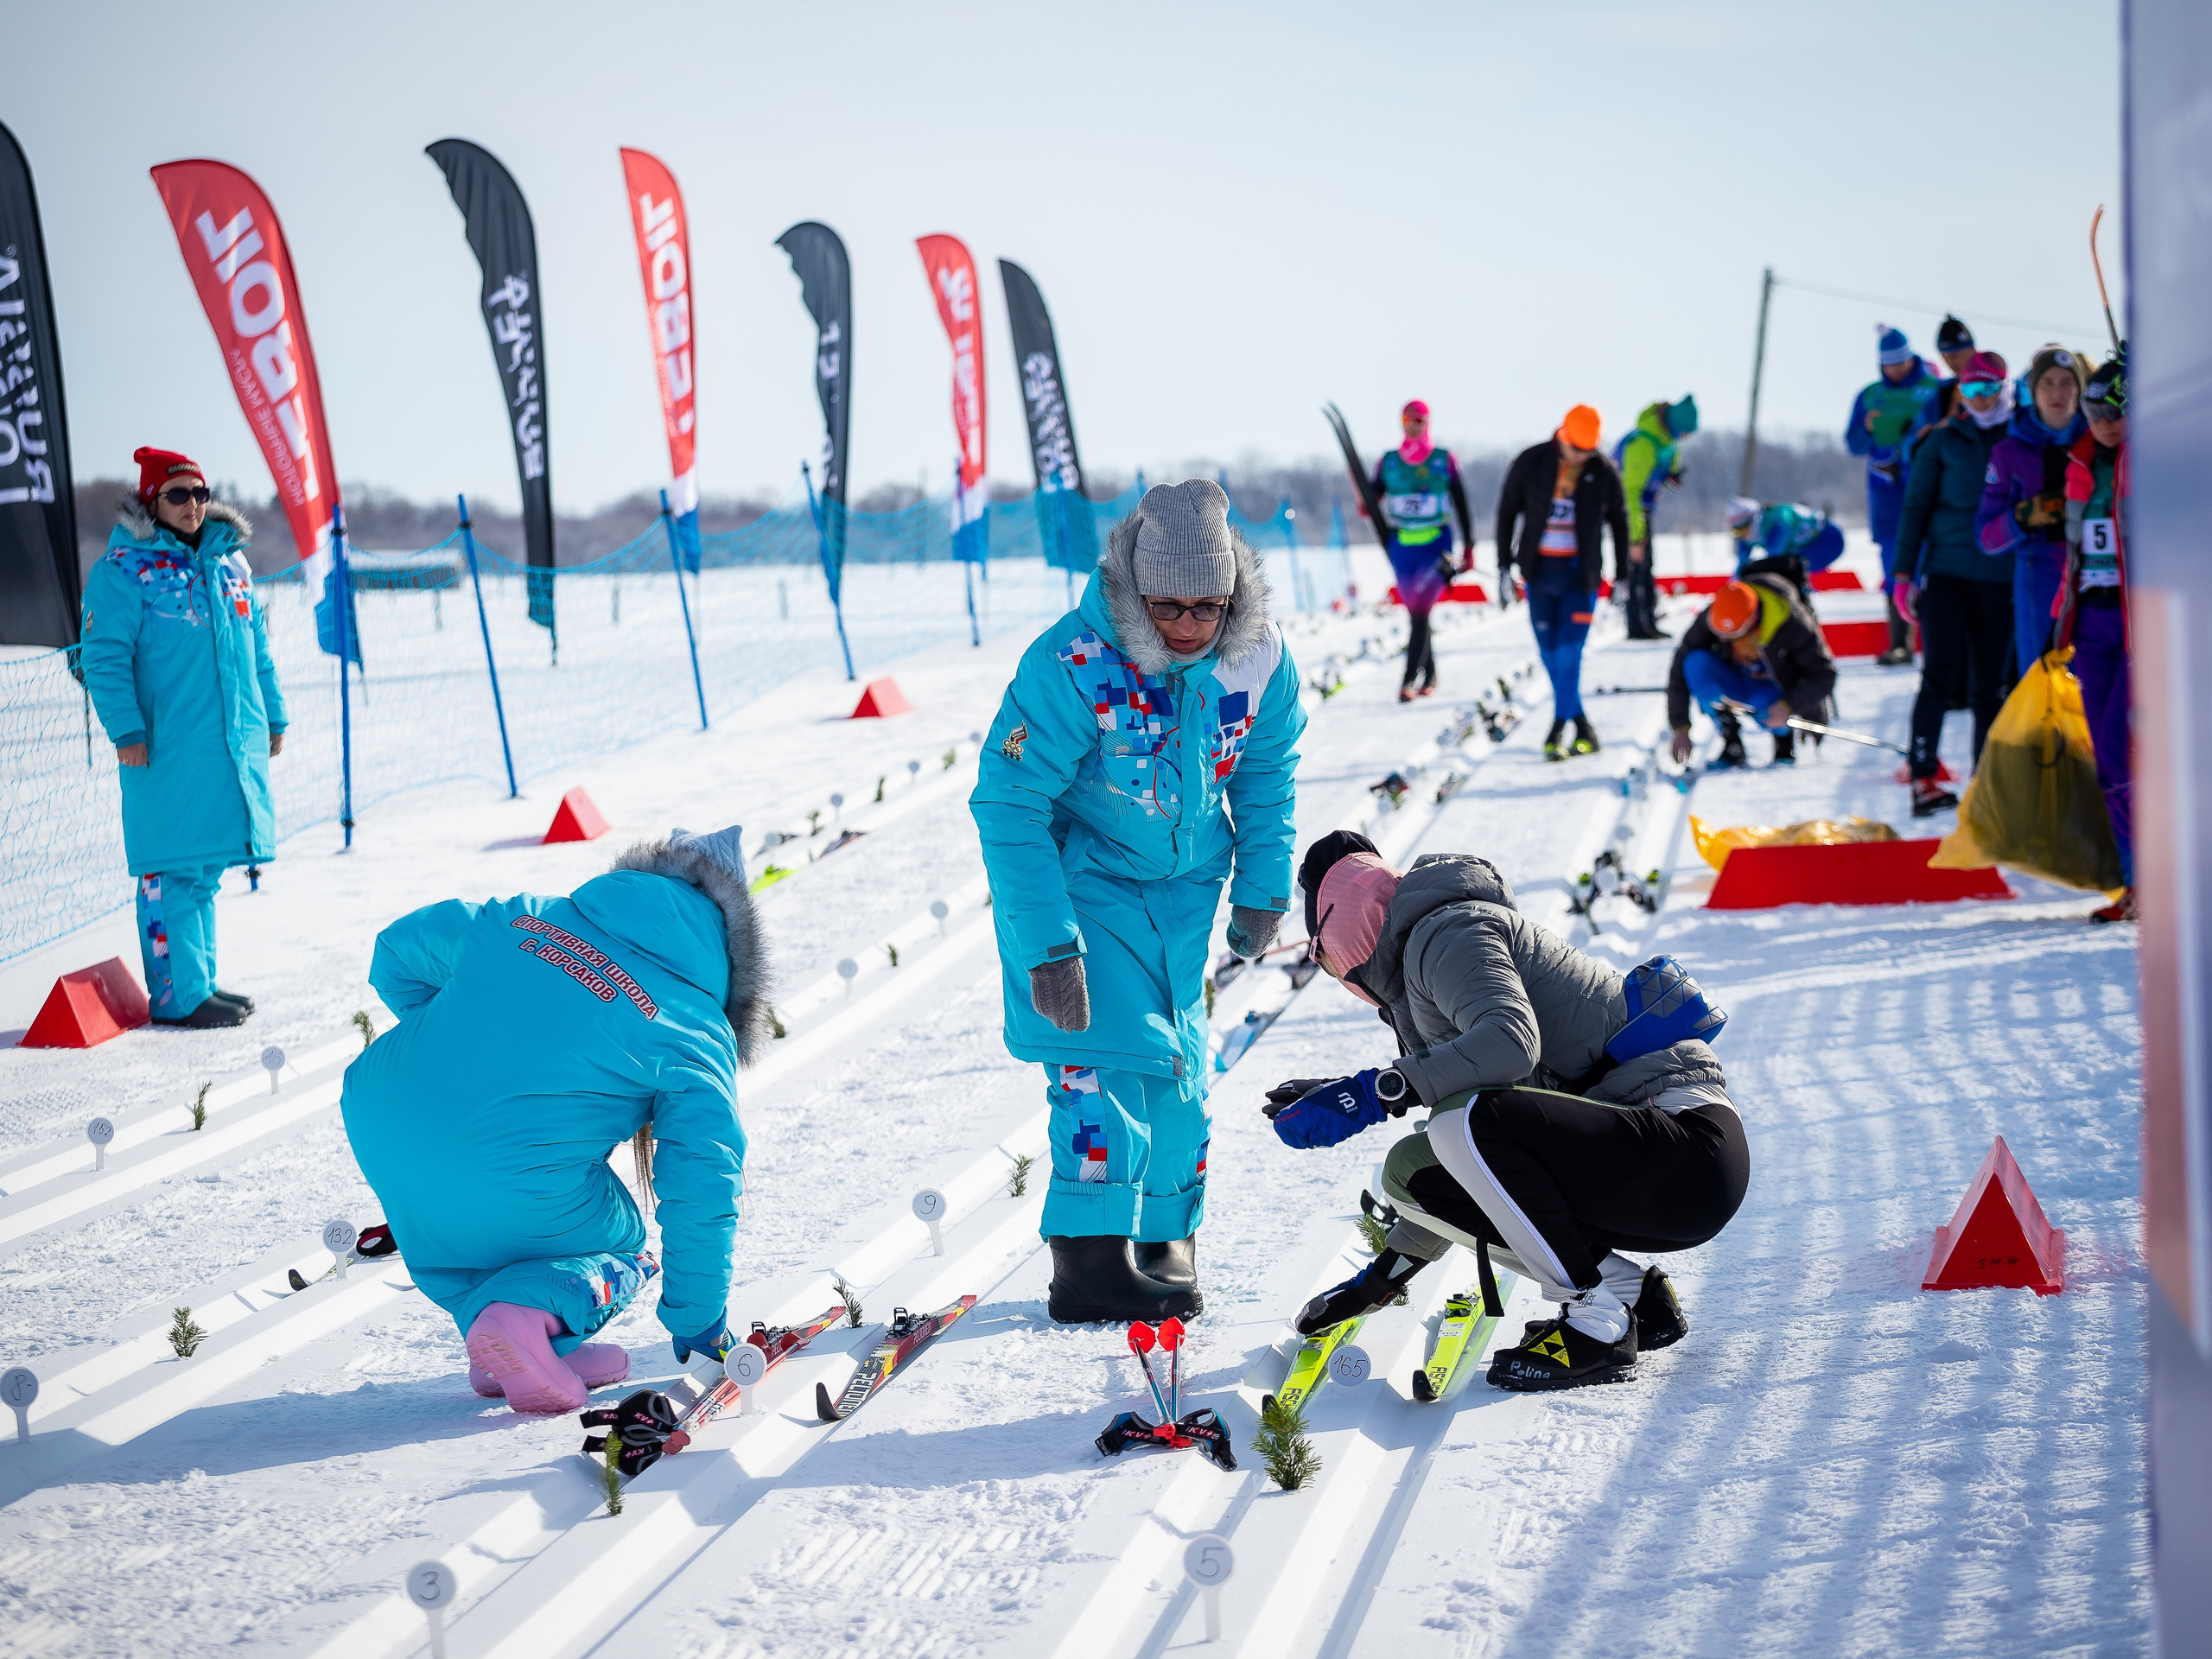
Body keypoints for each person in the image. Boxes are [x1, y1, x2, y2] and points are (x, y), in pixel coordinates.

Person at [971, 480, 1304, 1323]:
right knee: (1101, 1069)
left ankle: (1164, 1238)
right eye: (1167, 606)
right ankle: (1085, 1262)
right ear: (1136, 591)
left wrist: (1264, 886)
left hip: (1185, 897)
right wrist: (1048, 945)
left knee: (1180, 1077)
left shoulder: (1257, 657)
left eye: (1207, 605)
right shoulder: (1074, 663)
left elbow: (1265, 773)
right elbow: (1008, 802)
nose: (1188, 625)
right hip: (1083, 891)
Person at [1262, 836, 1745, 1389]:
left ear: (1345, 934)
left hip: (1684, 1148)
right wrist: (1382, 1278)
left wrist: (1378, 1091)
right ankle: (1632, 1297)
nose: (1336, 976)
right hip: (1648, 1161)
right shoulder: (1423, 971)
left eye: (1325, 958)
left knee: (1457, 1123)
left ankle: (1596, 1325)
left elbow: (1511, 1043)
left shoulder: (1446, 932)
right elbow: (1477, 1167)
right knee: (1412, 1169)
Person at [340, 826, 766, 1415]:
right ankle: (521, 1320)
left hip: (378, 1112)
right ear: (731, 948)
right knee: (622, 1248)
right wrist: (699, 1317)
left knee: (492, 1218)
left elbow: (398, 951)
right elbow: (702, 1179)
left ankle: (516, 1345)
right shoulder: (694, 1026)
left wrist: (459, 1050)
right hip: (505, 1167)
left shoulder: (523, 917)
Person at [79, 448, 287, 1029]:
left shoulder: (229, 567)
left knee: (202, 870)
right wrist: (126, 729)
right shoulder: (122, 573)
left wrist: (274, 716)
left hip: (224, 748)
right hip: (166, 749)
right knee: (169, 870)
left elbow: (258, 652)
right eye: (178, 495)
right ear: (152, 500)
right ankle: (177, 999)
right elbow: (104, 658)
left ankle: (200, 986)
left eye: (200, 493)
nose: (193, 505)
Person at [1891, 351, 2018, 817]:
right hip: (1946, 574)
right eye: (1971, 391)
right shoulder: (1943, 441)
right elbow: (1915, 509)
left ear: (2005, 389)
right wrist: (1903, 575)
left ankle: (1987, 781)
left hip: (2000, 577)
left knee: (1990, 686)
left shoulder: (2022, 437)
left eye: (1989, 390)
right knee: (1939, 677)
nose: (1980, 400)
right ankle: (1923, 776)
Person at [1496, 404, 1631, 760]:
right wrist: (1503, 568)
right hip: (1539, 576)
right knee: (1551, 657)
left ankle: (1557, 728)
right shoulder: (1532, 462)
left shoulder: (1602, 470)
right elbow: (1507, 511)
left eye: (1591, 450)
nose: (1585, 456)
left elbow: (1620, 520)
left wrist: (1623, 577)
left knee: (1570, 655)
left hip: (1581, 578)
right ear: (1563, 437)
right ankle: (1583, 726)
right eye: (1579, 449)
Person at [2056, 351, 2133, 923]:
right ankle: (2133, 882)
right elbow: (2074, 554)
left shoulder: (2150, 460)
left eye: (2114, 408)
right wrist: (2060, 622)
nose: (2102, 420)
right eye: (2091, 408)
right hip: (2093, 621)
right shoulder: (2080, 464)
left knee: (2127, 753)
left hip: (2143, 623)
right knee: (2106, 763)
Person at [1977, 345, 2089, 680]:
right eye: (2048, 383)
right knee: (2044, 684)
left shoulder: (2100, 439)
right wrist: (2024, 517)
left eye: (2067, 382)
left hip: (2095, 579)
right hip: (2038, 582)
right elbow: (1985, 537)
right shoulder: (2009, 452)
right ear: (2033, 390)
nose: (2057, 392)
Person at [1846, 326, 1946, 665]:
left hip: (1929, 492)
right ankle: (1899, 644)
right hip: (1887, 501)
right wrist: (1869, 429)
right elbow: (1854, 444)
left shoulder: (1934, 389)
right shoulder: (1869, 395)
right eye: (1888, 364)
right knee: (1894, 569)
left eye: (1900, 362)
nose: (1895, 369)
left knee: (1932, 567)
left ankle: (1935, 644)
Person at [1666, 576, 1838, 769]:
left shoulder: (1792, 621)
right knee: (1695, 663)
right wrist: (1680, 727)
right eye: (1720, 633)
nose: (1722, 639)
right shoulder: (1716, 613)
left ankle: (1783, 743)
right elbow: (1680, 668)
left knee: (1772, 710)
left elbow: (1824, 674)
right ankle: (1731, 742)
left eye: (1732, 635)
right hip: (1737, 680)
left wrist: (1789, 706)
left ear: (1751, 619)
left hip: (1774, 692)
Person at [1371, 399, 1476, 702]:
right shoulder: (1389, 462)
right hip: (1402, 547)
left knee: (1419, 610)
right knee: (1417, 610)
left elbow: (1462, 503)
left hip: (1437, 547)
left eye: (1419, 421)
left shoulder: (1444, 460)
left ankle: (1408, 680)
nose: (1413, 426)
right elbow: (1373, 496)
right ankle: (1430, 673)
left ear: (1427, 423)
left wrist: (1469, 547)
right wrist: (1366, 504)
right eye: (1408, 421)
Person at [1613, 395, 1697, 640]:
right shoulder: (1643, 444)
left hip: (1644, 510)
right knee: (1636, 568)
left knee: (1648, 567)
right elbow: (1629, 493)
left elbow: (1669, 465)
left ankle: (1648, 621)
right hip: (1626, 512)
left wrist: (1672, 476)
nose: (1685, 438)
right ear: (1673, 425)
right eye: (1684, 432)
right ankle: (1637, 627)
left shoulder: (1669, 440)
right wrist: (1634, 538)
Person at [1724, 497, 1847, 580]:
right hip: (1806, 545)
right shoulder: (1749, 532)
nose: (1742, 535)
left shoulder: (1779, 522)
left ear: (1754, 520)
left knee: (1789, 565)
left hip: (1829, 540)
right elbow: (1741, 565)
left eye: (1743, 530)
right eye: (1736, 532)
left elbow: (1775, 561)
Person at [1929, 315, 1978, 423]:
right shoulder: (1943, 390)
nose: (1951, 362)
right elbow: (1920, 426)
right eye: (1945, 357)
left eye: (1955, 356)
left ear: (1972, 350)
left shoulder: (1999, 385)